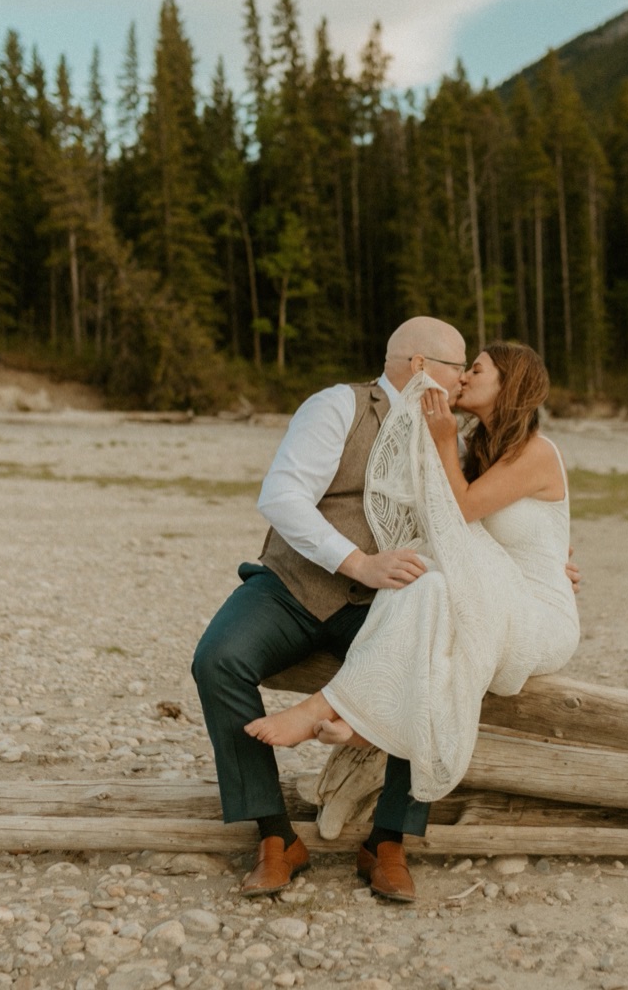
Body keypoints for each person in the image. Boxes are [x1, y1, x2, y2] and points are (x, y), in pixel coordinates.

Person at [245, 342, 581, 860]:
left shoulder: (536, 451)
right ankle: (362, 722)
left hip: (538, 614)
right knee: (426, 582)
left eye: (477, 370)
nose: (464, 378)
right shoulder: (479, 450)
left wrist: (443, 438)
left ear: (509, 384)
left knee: (435, 576)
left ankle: (331, 707)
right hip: (495, 596)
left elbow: (462, 513)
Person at [191, 316, 471, 903]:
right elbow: (282, 496)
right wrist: (358, 563)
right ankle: (274, 835)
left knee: (430, 661)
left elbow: (472, 520)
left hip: (386, 606)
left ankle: (388, 839)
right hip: (295, 587)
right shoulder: (337, 406)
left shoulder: (449, 433)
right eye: (456, 367)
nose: (464, 380)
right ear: (419, 367)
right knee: (219, 658)